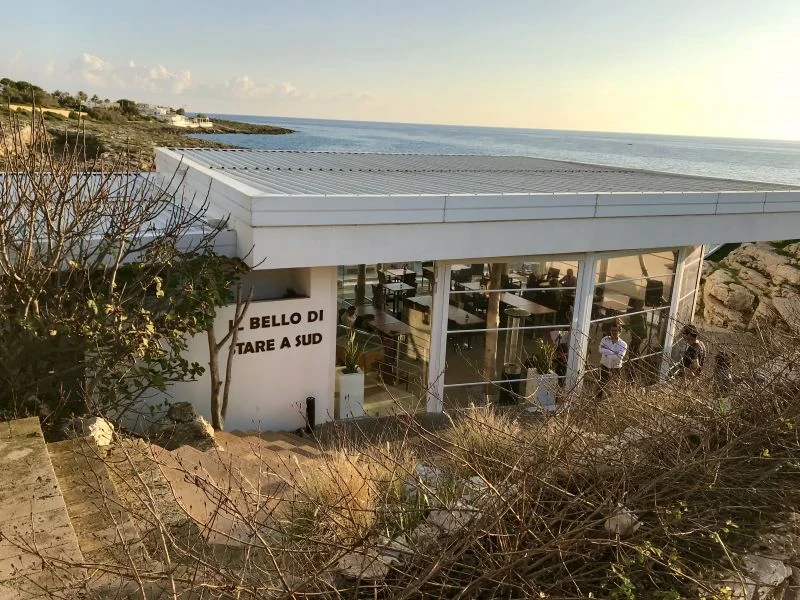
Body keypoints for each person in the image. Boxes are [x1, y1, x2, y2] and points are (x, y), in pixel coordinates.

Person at [596, 320, 628, 399]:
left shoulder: (623, 344)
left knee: (614, 388)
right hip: (604, 366)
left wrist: (607, 353)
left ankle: (610, 404)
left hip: (616, 368)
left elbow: (620, 356)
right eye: (612, 330)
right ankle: (597, 403)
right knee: (600, 386)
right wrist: (614, 352)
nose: (613, 332)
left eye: (615, 331)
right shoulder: (605, 340)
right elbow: (600, 350)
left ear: (619, 332)